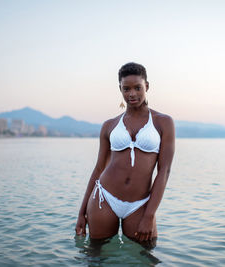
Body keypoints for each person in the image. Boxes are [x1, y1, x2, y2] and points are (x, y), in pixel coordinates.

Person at [75, 62, 175, 247]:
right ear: (120, 89)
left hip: (140, 204)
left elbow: (164, 171)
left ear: (147, 86)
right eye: (126, 88)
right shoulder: (109, 125)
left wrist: (149, 215)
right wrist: (81, 213)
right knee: (96, 258)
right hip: (103, 198)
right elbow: (98, 169)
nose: (132, 94)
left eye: (138, 87)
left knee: (145, 257)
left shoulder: (163, 123)